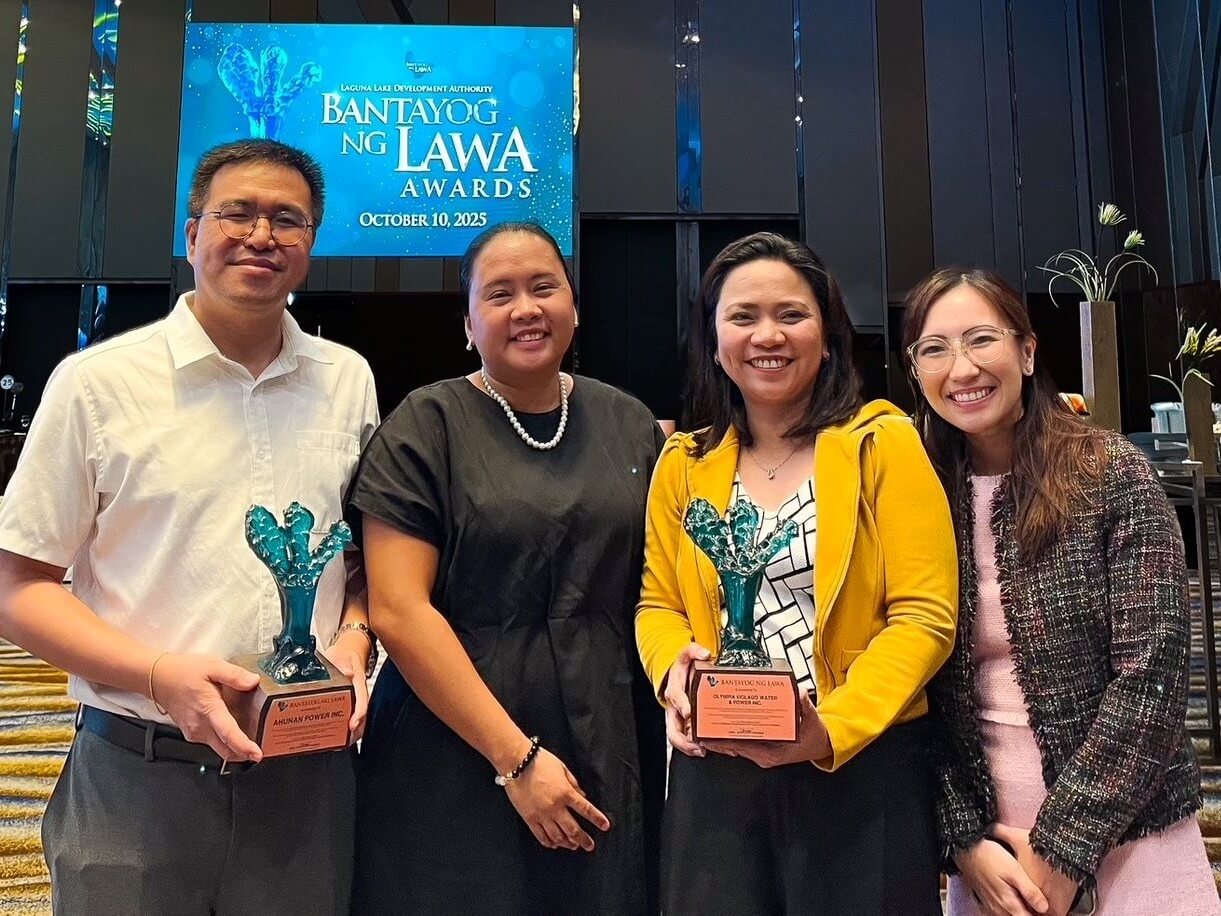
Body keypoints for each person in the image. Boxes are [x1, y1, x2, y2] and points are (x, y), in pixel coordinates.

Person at [0, 139, 379, 915]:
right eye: (236, 213)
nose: (261, 235)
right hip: (138, 777)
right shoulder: (97, 384)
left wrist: (356, 635)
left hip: (306, 780)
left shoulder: (348, 380)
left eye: (288, 219)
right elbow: (18, 589)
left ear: (311, 243)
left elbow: (362, 558)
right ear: (193, 232)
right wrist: (157, 676)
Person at [346, 221, 666, 914]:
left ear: (574, 308)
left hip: (605, 734)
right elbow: (399, 612)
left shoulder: (627, 422)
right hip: (454, 745)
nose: (526, 308)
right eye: (499, 294)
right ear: (467, 323)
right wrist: (515, 761)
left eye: (544, 287)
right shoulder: (425, 426)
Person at [636, 231, 958, 915]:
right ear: (713, 337)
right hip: (713, 772)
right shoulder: (683, 463)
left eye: (790, 314)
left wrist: (830, 729)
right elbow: (656, 604)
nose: (766, 336)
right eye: (742, 316)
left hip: (858, 768)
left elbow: (923, 617)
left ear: (827, 331)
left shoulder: (882, 441)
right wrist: (674, 673)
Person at [902, 268, 1219, 916]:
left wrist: (1064, 848)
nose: (960, 368)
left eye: (979, 339)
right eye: (934, 348)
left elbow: (1151, 676)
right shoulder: (916, 493)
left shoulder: (1107, 473)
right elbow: (912, 695)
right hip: (993, 862)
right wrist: (963, 840)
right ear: (914, 369)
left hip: (1131, 838)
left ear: (1025, 350)